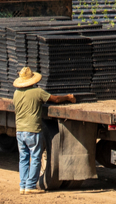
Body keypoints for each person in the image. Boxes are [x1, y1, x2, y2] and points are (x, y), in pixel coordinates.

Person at [12, 66, 76, 194]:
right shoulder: (37, 92)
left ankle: (23, 186)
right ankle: (30, 186)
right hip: (32, 130)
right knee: (35, 157)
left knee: (23, 158)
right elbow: (55, 99)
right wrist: (68, 97)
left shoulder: (16, 93)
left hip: (20, 131)